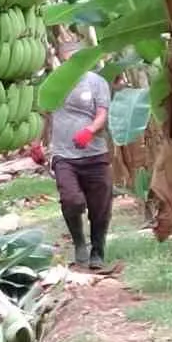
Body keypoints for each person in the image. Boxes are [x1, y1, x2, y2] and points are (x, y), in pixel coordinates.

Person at [38, 58, 113, 268]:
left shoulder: (96, 82)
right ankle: (79, 241)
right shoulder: (54, 83)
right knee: (71, 200)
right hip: (64, 155)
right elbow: (45, 117)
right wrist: (37, 143)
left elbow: (102, 114)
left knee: (100, 207)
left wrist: (90, 130)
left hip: (95, 154)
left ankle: (97, 250)